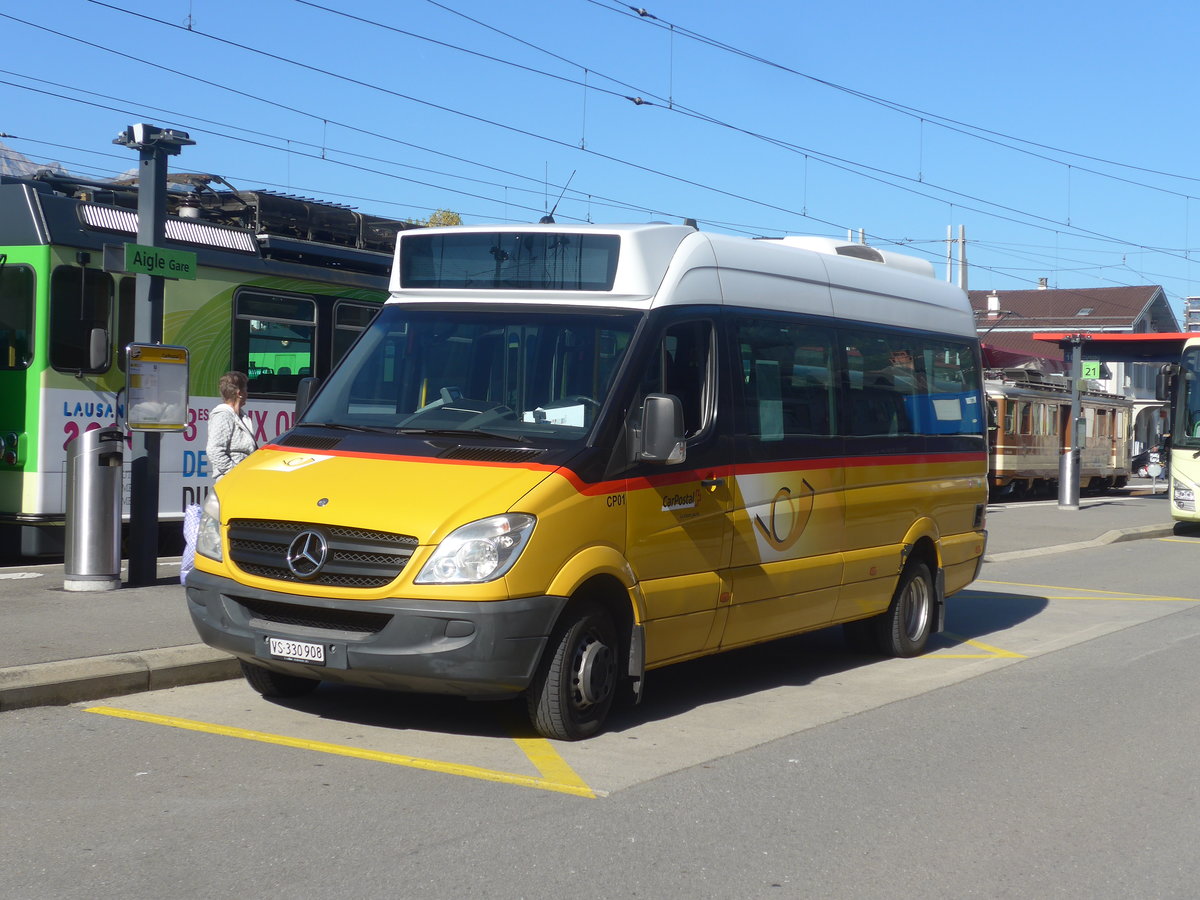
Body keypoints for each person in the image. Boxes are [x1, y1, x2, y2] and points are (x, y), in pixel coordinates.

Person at [206, 371, 258, 482]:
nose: (247, 394)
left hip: (243, 477)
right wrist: (234, 472)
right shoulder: (222, 416)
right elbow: (214, 450)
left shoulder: (241, 417)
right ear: (239, 393)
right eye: (246, 390)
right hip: (231, 480)